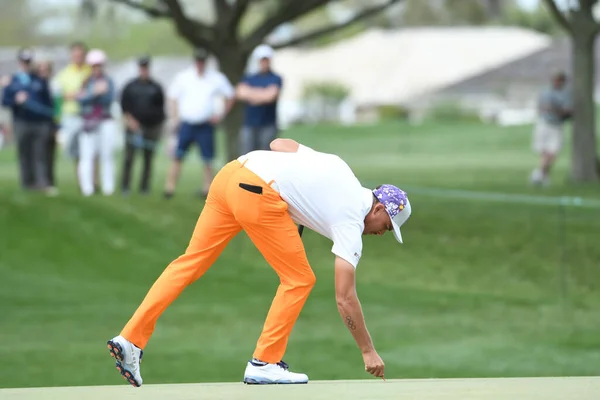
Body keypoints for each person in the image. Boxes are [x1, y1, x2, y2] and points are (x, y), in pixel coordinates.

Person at [106, 137, 412, 387]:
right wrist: (368, 351)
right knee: (300, 280)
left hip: (230, 175)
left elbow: (280, 143)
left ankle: (131, 338)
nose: (382, 233)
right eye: (387, 226)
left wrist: (295, 199)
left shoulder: (341, 169)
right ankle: (265, 362)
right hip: (257, 194)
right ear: (379, 209)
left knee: (189, 262)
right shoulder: (350, 222)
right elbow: (345, 298)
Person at [163, 48, 236, 199]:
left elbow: (230, 95)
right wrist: (175, 119)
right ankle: (169, 187)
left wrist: (220, 115)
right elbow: (172, 97)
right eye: (198, 60)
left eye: (202, 61)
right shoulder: (184, 77)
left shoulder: (215, 78)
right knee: (178, 156)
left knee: (207, 158)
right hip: (187, 124)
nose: (200, 64)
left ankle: (207, 188)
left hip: (205, 125)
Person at [1, 48, 55, 194]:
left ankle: (41, 182)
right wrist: (16, 100)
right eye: (24, 61)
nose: (26, 64)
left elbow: (48, 103)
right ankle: (27, 183)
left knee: (40, 153)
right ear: (19, 62)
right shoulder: (12, 81)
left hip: (40, 122)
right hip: (21, 121)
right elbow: (5, 102)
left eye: (28, 61)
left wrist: (51, 121)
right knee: (24, 153)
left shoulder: (39, 79)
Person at [119, 55, 166, 195]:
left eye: (146, 68)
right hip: (133, 127)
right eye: (142, 68)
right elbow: (124, 107)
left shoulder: (156, 87)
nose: (144, 70)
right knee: (129, 158)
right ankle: (125, 186)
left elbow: (161, 109)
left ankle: (144, 187)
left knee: (148, 159)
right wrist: (130, 121)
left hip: (151, 127)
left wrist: (159, 128)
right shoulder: (130, 86)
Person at [53, 41, 94, 191]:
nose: (78, 57)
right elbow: (59, 95)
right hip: (71, 115)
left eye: (80, 54)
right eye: (75, 54)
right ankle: (82, 183)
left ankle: (92, 182)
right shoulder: (64, 74)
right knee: (77, 152)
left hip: (88, 115)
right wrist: (73, 94)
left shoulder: (90, 71)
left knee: (90, 151)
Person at [76, 49, 116, 197]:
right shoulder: (86, 82)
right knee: (87, 155)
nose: (97, 68)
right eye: (94, 66)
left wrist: (95, 95)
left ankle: (108, 188)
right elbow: (80, 100)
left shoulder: (109, 81)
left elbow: (109, 99)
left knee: (107, 155)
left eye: (99, 65)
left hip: (105, 121)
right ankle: (87, 188)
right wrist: (95, 93)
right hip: (88, 122)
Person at [236, 44, 283, 155]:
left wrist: (251, 94)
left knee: (265, 156)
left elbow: (270, 96)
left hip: (268, 124)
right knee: (247, 156)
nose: (264, 62)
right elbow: (240, 93)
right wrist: (262, 94)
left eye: (266, 60)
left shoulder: (275, 78)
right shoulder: (249, 77)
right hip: (249, 123)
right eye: (262, 60)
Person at [530, 71, 572, 186]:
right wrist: (555, 110)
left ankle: (540, 174)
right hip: (544, 123)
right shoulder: (546, 92)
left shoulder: (566, 94)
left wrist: (556, 110)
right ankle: (543, 176)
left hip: (557, 125)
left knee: (553, 152)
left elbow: (567, 111)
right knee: (544, 152)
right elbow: (543, 108)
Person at [36, 57, 61, 193]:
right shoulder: (35, 83)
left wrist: (56, 123)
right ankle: (42, 181)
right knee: (40, 153)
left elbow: (58, 105)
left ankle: (49, 181)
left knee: (49, 154)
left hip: (50, 123)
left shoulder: (54, 84)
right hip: (37, 123)